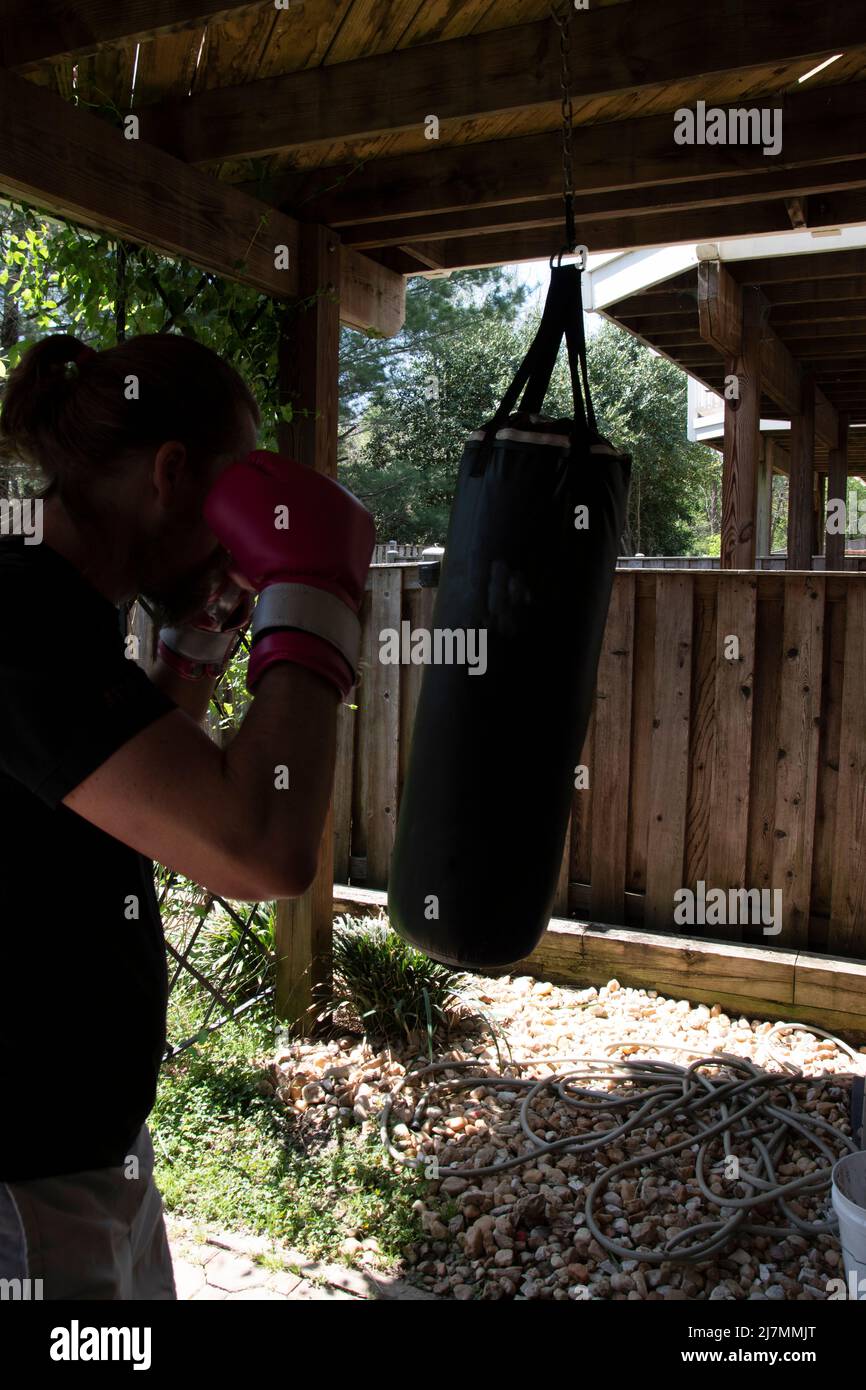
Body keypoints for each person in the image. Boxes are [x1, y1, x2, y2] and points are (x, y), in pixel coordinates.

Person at [0, 332, 374, 1299]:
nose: (234, 543)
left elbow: (119, 802)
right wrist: (315, 597)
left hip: (88, 1155)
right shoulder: (16, 615)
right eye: (229, 499)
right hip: (22, 1189)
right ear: (172, 475)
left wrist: (194, 647)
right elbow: (258, 848)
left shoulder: (51, 604)